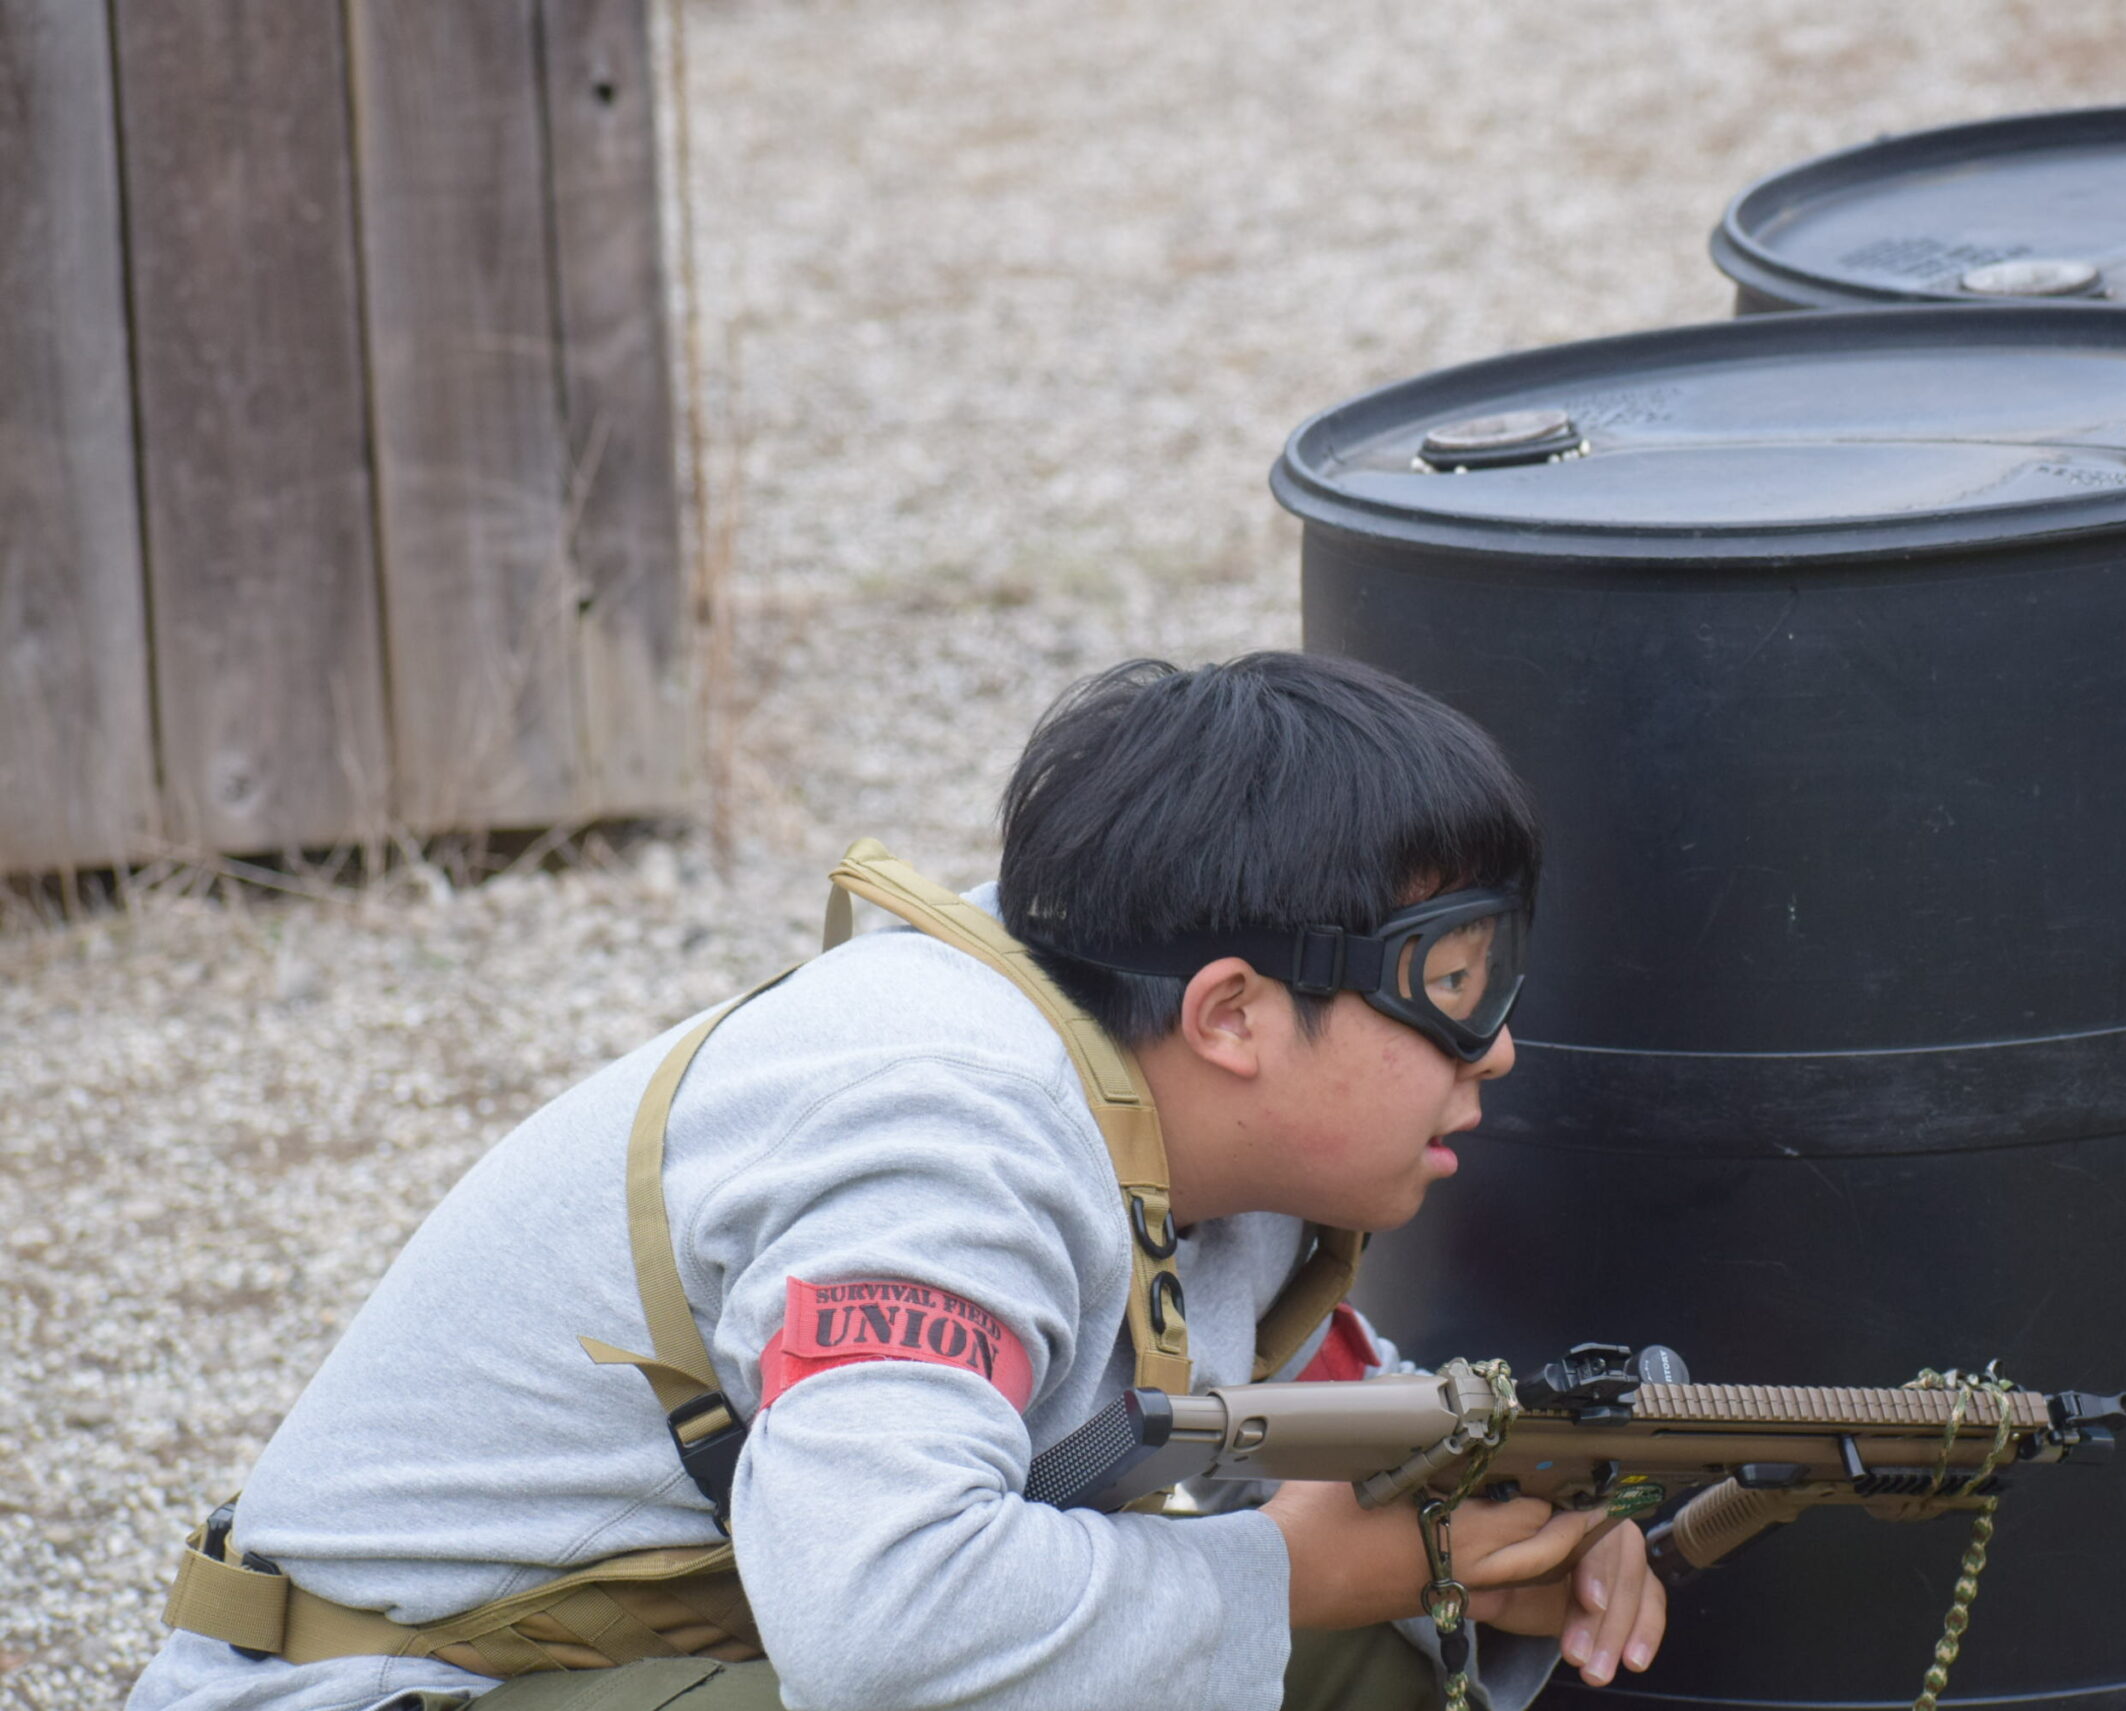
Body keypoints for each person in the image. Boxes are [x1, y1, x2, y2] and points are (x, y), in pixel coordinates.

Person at [129, 652, 1669, 1711]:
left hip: (655, 1652)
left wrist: (1493, 1536)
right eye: (1449, 984)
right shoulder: (941, 1134)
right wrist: (1299, 1574)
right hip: (394, 1683)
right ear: (1232, 1015)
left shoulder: (1187, 1110)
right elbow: (891, 1622)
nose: (1497, 1044)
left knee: (1399, 1651)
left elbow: (1306, 1425)